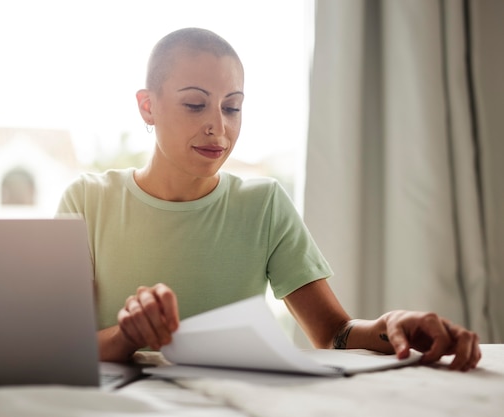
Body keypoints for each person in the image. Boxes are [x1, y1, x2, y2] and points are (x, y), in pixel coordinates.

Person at [57, 27, 481, 371]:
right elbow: (63, 347)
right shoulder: (88, 201)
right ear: (147, 107)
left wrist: (390, 326)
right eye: (194, 104)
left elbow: (332, 333)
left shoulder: (263, 204)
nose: (216, 127)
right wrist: (129, 337)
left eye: (232, 107)